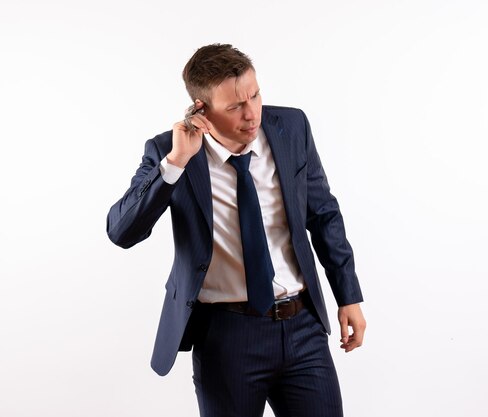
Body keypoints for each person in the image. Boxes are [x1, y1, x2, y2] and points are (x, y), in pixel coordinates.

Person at [106, 43, 366, 417]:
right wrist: (177, 162)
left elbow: (323, 214)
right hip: (227, 337)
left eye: (255, 95)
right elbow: (121, 232)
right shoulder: (169, 151)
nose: (251, 114)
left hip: (302, 326)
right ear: (201, 111)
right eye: (234, 106)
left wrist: (349, 296)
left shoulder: (291, 127)